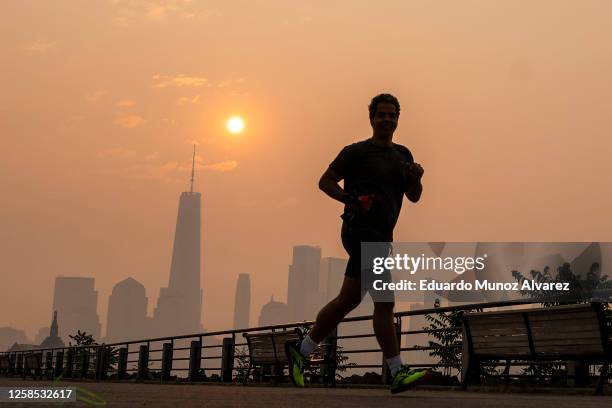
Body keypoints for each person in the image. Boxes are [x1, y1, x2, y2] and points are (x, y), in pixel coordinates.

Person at [285, 93, 429, 394]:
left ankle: (302, 348)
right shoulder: (355, 153)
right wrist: (351, 199)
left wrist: (415, 178)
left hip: (381, 235)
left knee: (347, 301)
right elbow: (325, 181)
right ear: (371, 118)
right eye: (381, 115)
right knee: (385, 303)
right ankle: (397, 371)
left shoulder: (403, 154)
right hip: (360, 231)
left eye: (392, 115)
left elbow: (413, 197)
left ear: (398, 119)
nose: (387, 119)